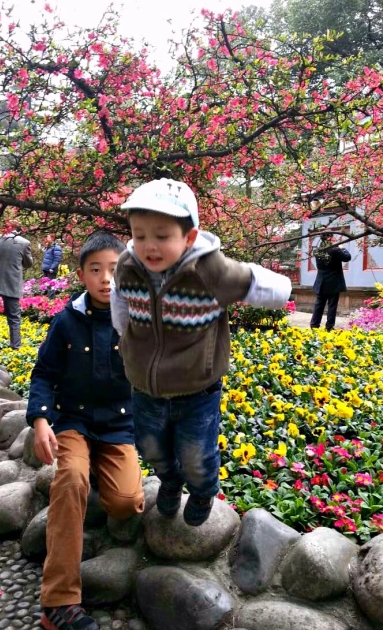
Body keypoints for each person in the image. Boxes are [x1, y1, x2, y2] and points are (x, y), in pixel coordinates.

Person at [112, 178, 291, 527]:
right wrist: (125, 337)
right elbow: (121, 301)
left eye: (162, 236)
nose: (149, 246)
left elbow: (249, 279)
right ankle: (169, 480)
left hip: (197, 387)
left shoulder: (208, 268)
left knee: (197, 454)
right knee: (150, 447)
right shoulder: (128, 264)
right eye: (140, 234)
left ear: (189, 237)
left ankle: (203, 490)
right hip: (145, 386)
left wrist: (283, 291)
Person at [27, 232, 144, 630]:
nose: (106, 278)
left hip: (118, 426)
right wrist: (41, 421)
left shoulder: (137, 320)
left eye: (115, 269)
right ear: (81, 274)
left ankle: (100, 469)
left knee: (126, 502)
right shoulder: (67, 320)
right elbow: (43, 374)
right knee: (72, 479)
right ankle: (59, 601)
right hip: (73, 423)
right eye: (95, 269)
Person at [310, 232, 351, 331]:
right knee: (332, 306)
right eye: (332, 237)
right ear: (329, 238)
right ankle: (329, 327)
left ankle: (314, 326)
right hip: (333, 283)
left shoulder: (317, 251)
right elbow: (347, 257)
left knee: (319, 305)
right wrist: (342, 247)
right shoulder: (335, 250)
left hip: (321, 282)